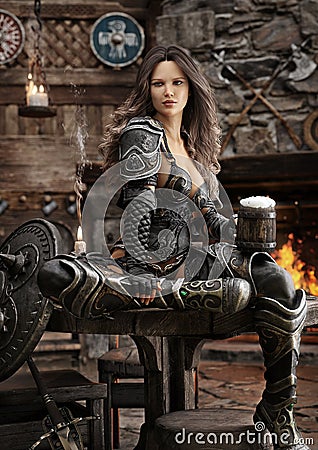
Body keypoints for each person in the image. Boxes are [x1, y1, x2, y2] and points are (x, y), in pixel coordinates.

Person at [38, 45, 309, 450]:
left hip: (204, 253)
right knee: (55, 273)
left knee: (278, 280)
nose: (168, 91)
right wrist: (144, 270)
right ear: (147, 88)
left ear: (191, 88)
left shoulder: (193, 140)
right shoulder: (142, 133)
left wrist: (237, 230)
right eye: (158, 82)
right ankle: (164, 291)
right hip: (156, 257)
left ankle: (277, 412)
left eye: (177, 82)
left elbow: (212, 212)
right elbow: (141, 207)